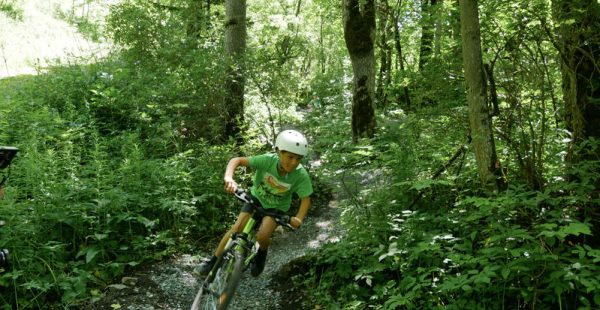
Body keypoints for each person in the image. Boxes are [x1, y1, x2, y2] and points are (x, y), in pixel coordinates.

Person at [196, 129, 313, 277]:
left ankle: (261, 254)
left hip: (276, 209)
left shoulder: (301, 175)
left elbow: (306, 199)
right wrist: (229, 178)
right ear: (279, 152)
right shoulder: (267, 160)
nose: (294, 162)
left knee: (263, 236)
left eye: (298, 159)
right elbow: (237, 160)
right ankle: (212, 262)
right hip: (256, 199)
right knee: (237, 228)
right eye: (290, 157)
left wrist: (299, 218)